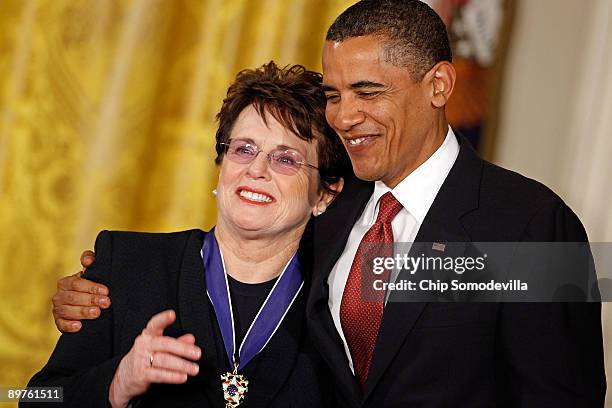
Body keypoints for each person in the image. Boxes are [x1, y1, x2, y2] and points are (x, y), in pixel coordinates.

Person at [50, 1, 607, 407]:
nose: (344, 116)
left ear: (439, 86)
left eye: (368, 92)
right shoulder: (336, 215)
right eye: (335, 96)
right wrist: (101, 307)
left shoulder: (533, 223)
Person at [26, 61, 348, 407]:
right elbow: (31, 398)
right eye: (243, 149)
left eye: (285, 159)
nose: (256, 169)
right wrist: (117, 382)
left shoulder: (342, 298)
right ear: (221, 164)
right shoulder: (126, 262)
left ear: (325, 194)